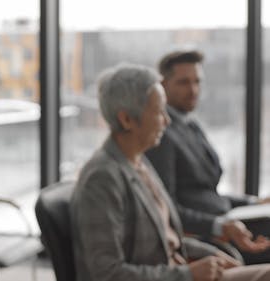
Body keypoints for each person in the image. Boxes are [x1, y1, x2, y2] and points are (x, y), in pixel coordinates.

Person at [70, 63, 270, 281]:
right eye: (158, 112)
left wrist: (211, 256)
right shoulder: (102, 179)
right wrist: (188, 274)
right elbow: (106, 275)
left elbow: (166, 240)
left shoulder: (139, 163)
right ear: (127, 119)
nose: (167, 120)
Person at [145, 50, 270, 264]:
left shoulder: (190, 125)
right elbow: (167, 208)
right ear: (163, 84)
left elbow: (208, 193)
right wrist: (219, 226)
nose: (193, 90)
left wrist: (253, 202)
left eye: (197, 82)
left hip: (228, 222)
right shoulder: (161, 136)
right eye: (184, 82)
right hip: (208, 233)